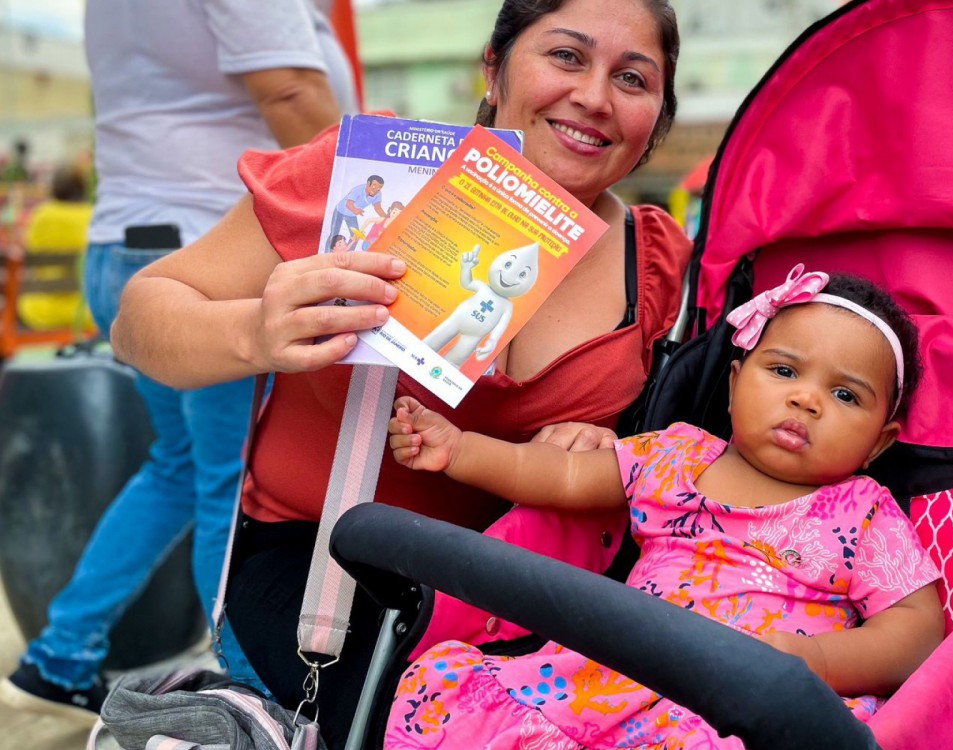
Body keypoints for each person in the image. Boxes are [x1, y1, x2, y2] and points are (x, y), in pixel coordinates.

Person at [109, 1, 687, 746]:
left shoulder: (659, 263)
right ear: (493, 65)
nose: (596, 97)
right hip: (326, 584)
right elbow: (139, 321)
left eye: (633, 79)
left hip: (533, 597)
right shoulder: (372, 177)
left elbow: (677, 469)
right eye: (568, 57)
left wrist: (606, 442)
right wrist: (255, 331)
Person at [383, 269, 945, 749]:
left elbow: (917, 629)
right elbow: (565, 475)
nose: (807, 399)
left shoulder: (864, 513)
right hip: (613, 676)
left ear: (878, 443)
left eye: (845, 395)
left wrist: (816, 660)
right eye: (784, 371)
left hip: (746, 705)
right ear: (734, 383)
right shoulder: (678, 453)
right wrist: (460, 450)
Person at [0, 0, 354, 725]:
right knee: (232, 485)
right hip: (205, 256)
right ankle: (246, 698)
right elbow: (290, 92)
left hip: (124, 245)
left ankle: (60, 657)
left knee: (182, 466)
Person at [12, 164, 93, 331]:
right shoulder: (93, 215)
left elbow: (28, 248)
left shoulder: (41, 215)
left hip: (40, 310)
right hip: (85, 312)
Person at [329, 174, 386, 239]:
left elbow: (378, 208)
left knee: (355, 237)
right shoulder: (358, 190)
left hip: (351, 216)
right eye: (374, 188)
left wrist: (387, 218)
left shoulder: (378, 194)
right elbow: (349, 204)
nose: (375, 191)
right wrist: (355, 210)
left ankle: (349, 249)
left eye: (378, 189)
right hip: (340, 211)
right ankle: (328, 249)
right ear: (368, 183)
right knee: (334, 234)